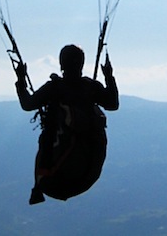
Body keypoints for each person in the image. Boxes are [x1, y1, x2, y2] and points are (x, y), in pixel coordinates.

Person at [15, 44, 118, 204]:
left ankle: (38, 186)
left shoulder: (54, 88)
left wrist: (21, 80)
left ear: (61, 64)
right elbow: (113, 104)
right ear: (82, 64)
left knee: (45, 139)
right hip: (87, 176)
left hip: (52, 180)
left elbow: (27, 104)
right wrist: (109, 78)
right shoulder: (90, 87)